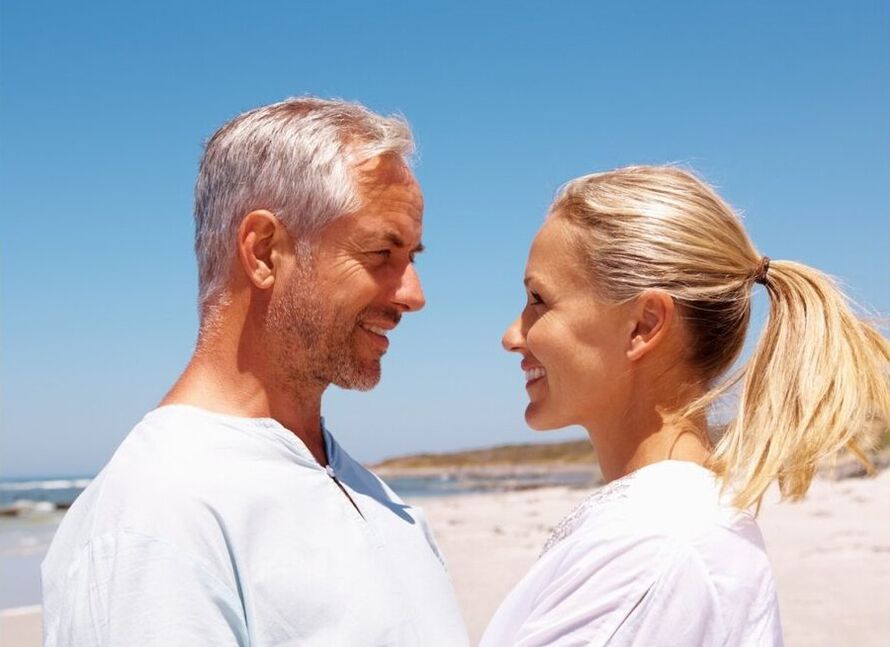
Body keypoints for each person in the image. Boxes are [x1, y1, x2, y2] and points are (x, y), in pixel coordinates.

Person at [41, 98, 469, 646]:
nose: (414, 294)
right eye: (382, 253)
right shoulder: (157, 518)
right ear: (264, 251)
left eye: (413, 257)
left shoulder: (371, 494)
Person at [481, 165, 890, 647]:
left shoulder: (650, 548)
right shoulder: (668, 528)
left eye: (538, 300)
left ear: (643, 325)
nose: (512, 336)